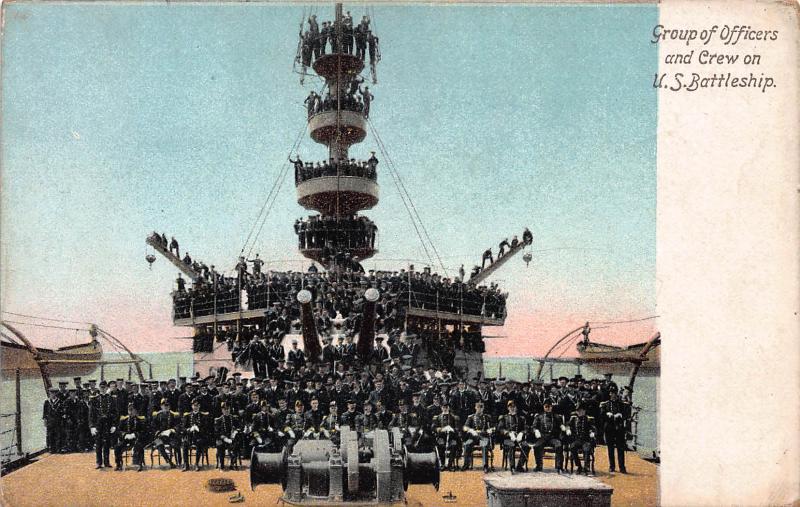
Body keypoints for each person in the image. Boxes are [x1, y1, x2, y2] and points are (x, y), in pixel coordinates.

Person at [600, 386, 630, 473]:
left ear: (617, 394)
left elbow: (626, 415)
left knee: (620, 448)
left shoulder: (621, 404)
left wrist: (620, 415)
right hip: (609, 428)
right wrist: (606, 414)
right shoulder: (605, 404)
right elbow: (601, 416)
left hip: (619, 428)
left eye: (614, 393)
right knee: (610, 448)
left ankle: (622, 467)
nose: (612, 395)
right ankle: (612, 466)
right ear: (609, 394)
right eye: (611, 393)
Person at [530, 398, 565, 473]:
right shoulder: (539, 416)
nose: (548, 408)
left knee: (559, 445)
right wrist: (536, 431)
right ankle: (539, 465)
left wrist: (562, 427)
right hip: (542, 437)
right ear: (543, 407)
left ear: (552, 407)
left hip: (553, 437)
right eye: (546, 406)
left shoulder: (556, 417)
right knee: (536, 446)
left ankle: (559, 467)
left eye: (549, 406)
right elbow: (533, 427)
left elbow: (561, 425)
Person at [89, 380, 118, 469]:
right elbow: (91, 414)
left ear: (107, 388)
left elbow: (115, 413)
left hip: (108, 424)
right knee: (98, 444)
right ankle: (98, 462)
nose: (103, 389)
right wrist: (92, 426)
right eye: (101, 387)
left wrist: (114, 425)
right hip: (98, 424)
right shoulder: (94, 399)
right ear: (99, 388)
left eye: (104, 387)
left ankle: (106, 462)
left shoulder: (112, 399)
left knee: (107, 444)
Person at [462, 401, 494, 472]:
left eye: (481, 407)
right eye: (478, 407)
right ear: (475, 408)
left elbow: (493, 427)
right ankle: (466, 464)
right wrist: (471, 430)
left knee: (485, 445)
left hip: (483, 436)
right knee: (467, 444)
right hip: (473, 436)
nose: (479, 409)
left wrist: (490, 430)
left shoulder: (487, 417)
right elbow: (465, 427)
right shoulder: (471, 417)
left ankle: (485, 466)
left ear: (483, 408)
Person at [497, 400, 528, 472]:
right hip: (508, 439)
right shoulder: (504, 417)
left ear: (516, 408)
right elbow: (500, 429)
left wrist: (521, 433)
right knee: (511, 445)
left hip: (519, 438)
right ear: (508, 408)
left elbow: (526, 428)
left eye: (514, 407)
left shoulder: (521, 418)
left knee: (526, 446)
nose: (512, 408)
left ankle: (520, 466)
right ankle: (512, 466)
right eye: (510, 407)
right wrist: (509, 433)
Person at [114, 403, 146, 472]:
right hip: (126, 439)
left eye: (132, 410)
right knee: (117, 447)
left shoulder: (140, 420)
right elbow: (118, 431)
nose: (131, 412)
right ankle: (118, 464)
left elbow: (143, 431)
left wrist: (135, 434)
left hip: (136, 439)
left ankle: (140, 464)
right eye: (129, 410)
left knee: (140, 446)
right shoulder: (123, 420)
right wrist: (124, 434)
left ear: (136, 411)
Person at [150, 398, 180, 468]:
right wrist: (157, 432)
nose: (166, 407)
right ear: (161, 406)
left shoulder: (173, 415)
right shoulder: (157, 415)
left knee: (176, 444)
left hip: (170, 436)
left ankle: (180, 462)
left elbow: (178, 425)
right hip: (160, 436)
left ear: (169, 406)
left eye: (167, 405)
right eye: (164, 405)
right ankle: (169, 461)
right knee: (159, 444)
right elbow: (153, 426)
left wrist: (172, 429)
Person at [182, 399, 210, 471]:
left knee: (199, 443)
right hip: (190, 436)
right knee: (184, 444)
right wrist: (189, 429)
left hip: (200, 436)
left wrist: (198, 429)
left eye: (197, 405)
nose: (195, 407)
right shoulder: (187, 416)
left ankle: (196, 464)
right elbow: (183, 428)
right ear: (192, 406)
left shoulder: (203, 416)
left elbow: (206, 428)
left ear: (199, 406)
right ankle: (186, 464)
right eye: (194, 405)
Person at [568, 403, 596, 474]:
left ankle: (586, 466)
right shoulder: (573, 419)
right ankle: (579, 466)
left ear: (584, 411)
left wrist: (592, 432)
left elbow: (593, 428)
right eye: (578, 411)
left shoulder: (588, 419)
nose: (579, 412)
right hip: (576, 440)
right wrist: (568, 429)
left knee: (586, 449)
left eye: (581, 411)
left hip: (586, 440)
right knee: (572, 447)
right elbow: (567, 425)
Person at [433, 402, 460, 471]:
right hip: (441, 436)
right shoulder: (437, 417)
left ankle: (450, 465)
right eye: (443, 407)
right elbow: (434, 427)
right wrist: (439, 429)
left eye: (446, 407)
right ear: (441, 408)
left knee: (454, 445)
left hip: (451, 437)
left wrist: (452, 429)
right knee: (440, 445)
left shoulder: (454, 417)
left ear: (449, 408)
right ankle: (442, 464)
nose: (445, 409)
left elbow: (457, 428)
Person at [214, 403, 241, 470]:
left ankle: (233, 464)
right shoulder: (218, 420)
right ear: (222, 410)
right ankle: (222, 464)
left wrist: (235, 432)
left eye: (228, 409)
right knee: (220, 446)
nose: (226, 411)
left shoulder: (234, 418)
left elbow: (240, 427)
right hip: (223, 439)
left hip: (232, 438)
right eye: (225, 409)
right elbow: (216, 432)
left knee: (235, 444)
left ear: (230, 409)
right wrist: (224, 438)